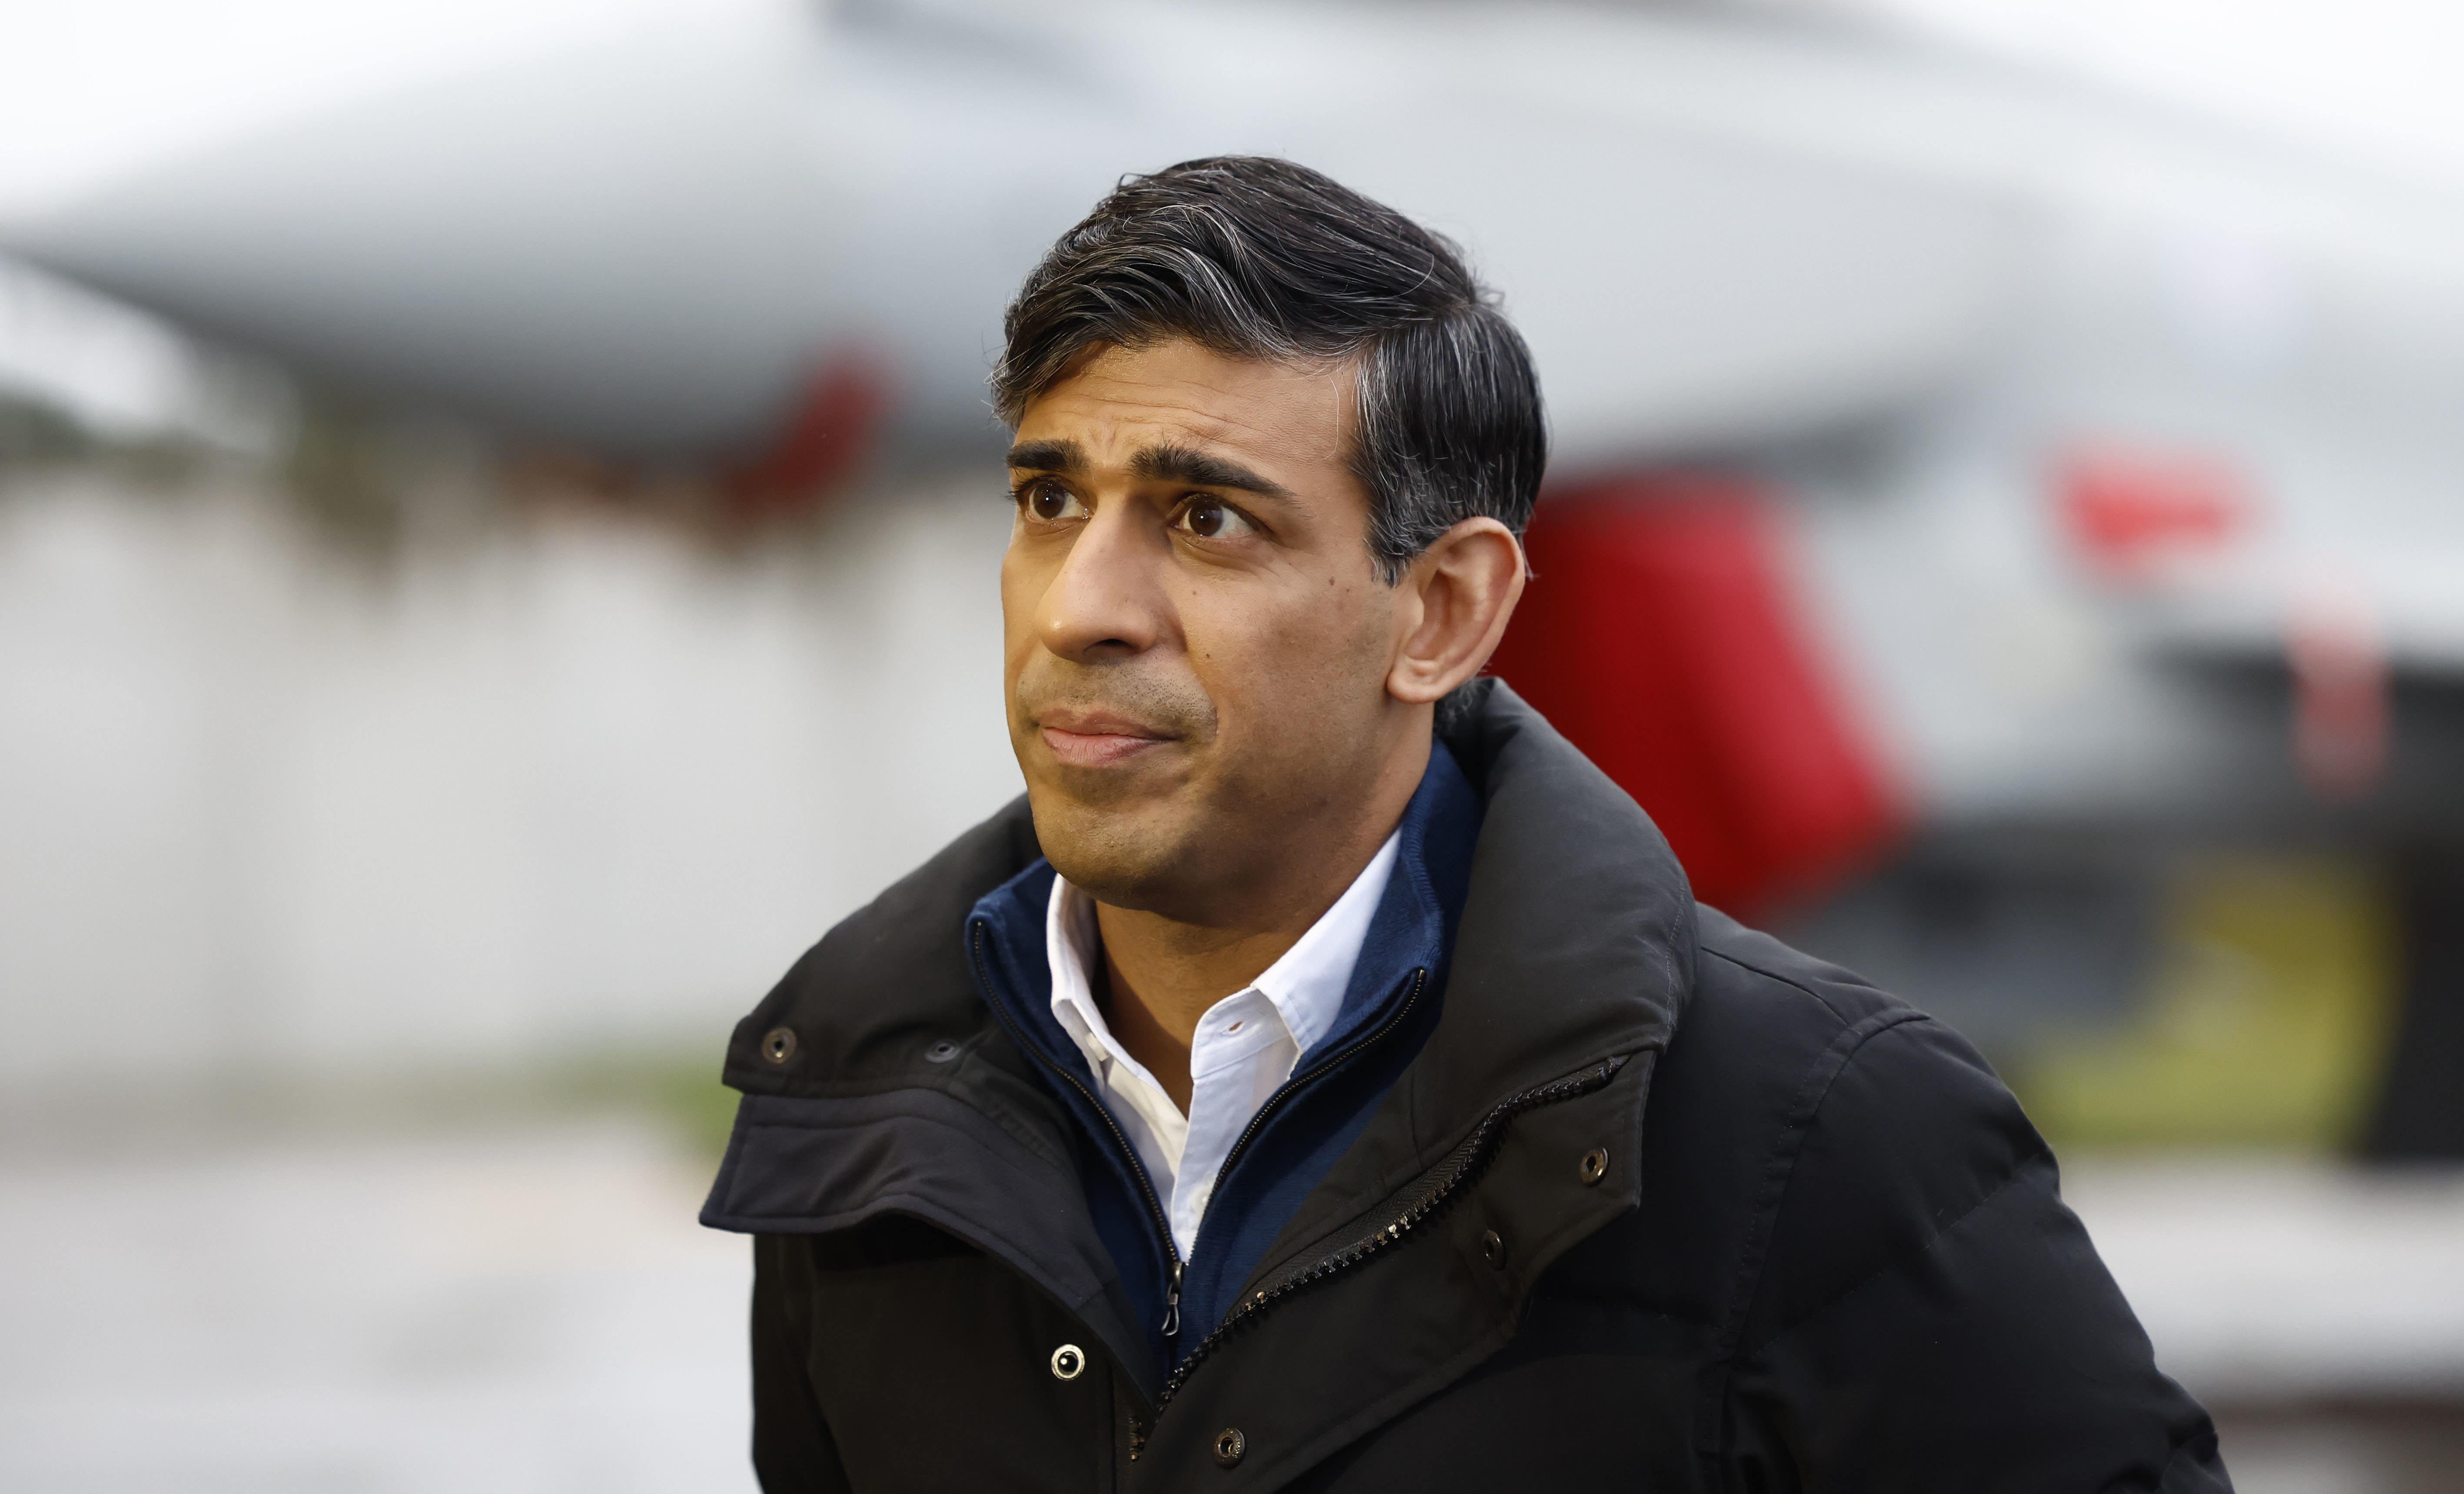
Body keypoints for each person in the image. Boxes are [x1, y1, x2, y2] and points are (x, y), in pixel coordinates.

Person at [700, 156, 2231, 1491]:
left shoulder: (1823, 1140)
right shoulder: (866, 1115)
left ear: (1441, 613)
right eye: (1050, 502)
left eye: (1206, 518)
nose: (1085, 608)